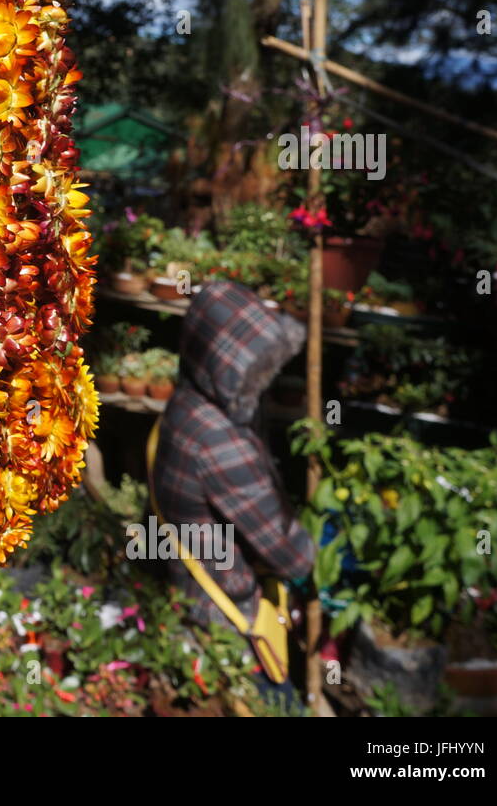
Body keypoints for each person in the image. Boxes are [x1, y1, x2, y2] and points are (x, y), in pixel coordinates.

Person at [151, 282, 315, 698]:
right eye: (255, 366)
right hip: (228, 627)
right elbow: (291, 555)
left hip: (187, 594)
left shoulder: (186, 404)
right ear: (227, 365)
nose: (267, 377)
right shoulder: (221, 443)